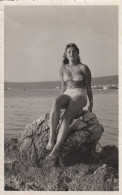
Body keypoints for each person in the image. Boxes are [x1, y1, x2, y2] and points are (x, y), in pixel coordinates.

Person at [46, 43, 93, 160]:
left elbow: (88, 86)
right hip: (68, 93)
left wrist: (91, 103)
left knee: (66, 116)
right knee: (56, 101)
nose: (71, 53)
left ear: (78, 53)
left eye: (74, 51)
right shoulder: (62, 68)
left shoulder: (83, 68)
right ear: (66, 55)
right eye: (69, 52)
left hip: (80, 94)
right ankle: (52, 137)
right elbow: (63, 86)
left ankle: (56, 148)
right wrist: (61, 100)